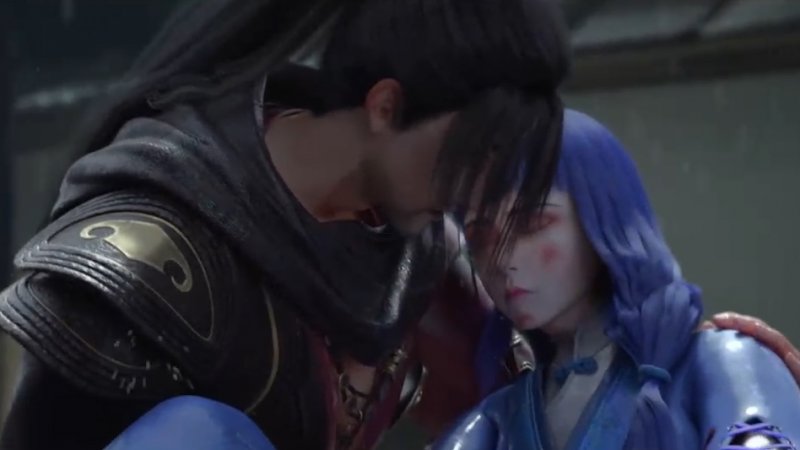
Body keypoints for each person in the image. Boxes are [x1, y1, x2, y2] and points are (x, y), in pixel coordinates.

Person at [0, 0, 572, 449]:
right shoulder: (150, 251)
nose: (474, 191)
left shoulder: (422, 255)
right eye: (467, 153)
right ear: (385, 107)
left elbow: (527, 412)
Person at [431, 109, 800, 450]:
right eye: (480, 236)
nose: (501, 260)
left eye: (531, 223)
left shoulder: (723, 360)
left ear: (602, 218)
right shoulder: (496, 421)